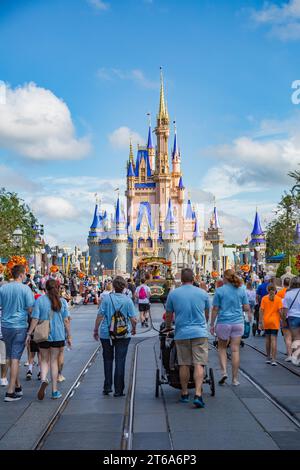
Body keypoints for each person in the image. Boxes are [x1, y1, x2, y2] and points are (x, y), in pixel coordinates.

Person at [165, 268, 210, 409]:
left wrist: (168, 327)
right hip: (200, 333)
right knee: (199, 363)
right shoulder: (203, 293)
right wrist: (204, 324)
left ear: (181, 279)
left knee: (183, 363)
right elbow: (207, 314)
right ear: (193, 279)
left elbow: (168, 314)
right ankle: (197, 394)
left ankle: (184, 393)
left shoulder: (173, 294)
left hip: (181, 333)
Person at [26, 279, 72, 400]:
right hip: (58, 336)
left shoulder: (40, 300)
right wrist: (69, 336)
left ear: (45, 288)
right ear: (58, 288)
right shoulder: (62, 301)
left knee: (44, 360)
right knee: (54, 362)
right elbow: (66, 320)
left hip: (43, 335)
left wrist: (29, 333)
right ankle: (54, 391)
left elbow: (35, 318)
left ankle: (43, 379)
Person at [93, 276, 137, 397]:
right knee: (120, 360)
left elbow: (100, 316)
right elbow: (133, 319)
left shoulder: (106, 299)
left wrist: (96, 330)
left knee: (107, 359)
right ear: (124, 287)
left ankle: (107, 387)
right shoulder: (128, 300)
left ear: (113, 286)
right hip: (123, 333)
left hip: (106, 333)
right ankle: (119, 389)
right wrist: (133, 328)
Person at [0, 265, 35, 402]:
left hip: (5, 326)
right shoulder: (26, 289)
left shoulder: (3, 288)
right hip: (19, 326)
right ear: (21, 275)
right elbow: (31, 309)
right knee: (15, 358)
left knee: (9, 355)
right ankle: (10, 392)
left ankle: (18, 386)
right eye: (25, 274)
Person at [210, 269, 250, 386]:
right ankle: (235, 379)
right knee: (235, 350)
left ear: (225, 278)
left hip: (224, 322)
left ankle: (224, 372)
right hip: (238, 323)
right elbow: (247, 308)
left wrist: (212, 324)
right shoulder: (241, 290)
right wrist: (237, 307)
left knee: (222, 348)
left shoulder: (220, 291)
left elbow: (215, 309)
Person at [259, 285, 283, 366]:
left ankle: (268, 357)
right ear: (275, 290)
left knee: (267, 340)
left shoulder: (264, 298)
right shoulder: (278, 299)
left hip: (266, 321)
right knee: (274, 340)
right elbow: (280, 311)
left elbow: (261, 311)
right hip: (275, 322)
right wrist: (283, 319)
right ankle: (273, 359)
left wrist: (260, 322)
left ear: (267, 290)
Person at [282, 277, 300, 366]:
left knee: (296, 338)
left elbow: (285, 309)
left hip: (293, 317)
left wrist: (284, 319)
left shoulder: (288, 294)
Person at [277, 278, 292, 361]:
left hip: (285, 316)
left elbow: (279, 307)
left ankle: (288, 351)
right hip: (294, 316)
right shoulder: (294, 292)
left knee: (287, 336)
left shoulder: (280, 293)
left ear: (283, 283)